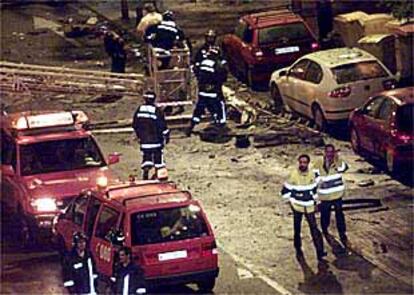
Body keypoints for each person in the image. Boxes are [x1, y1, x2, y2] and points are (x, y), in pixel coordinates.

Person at [281, 154, 327, 261]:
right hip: (297, 207)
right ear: (298, 162)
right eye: (301, 162)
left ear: (308, 163)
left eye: (305, 162)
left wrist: (317, 202)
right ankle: (298, 248)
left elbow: (314, 190)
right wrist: (290, 203)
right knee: (297, 229)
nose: (303, 164)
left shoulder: (312, 175)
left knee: (314, 229)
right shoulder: (293, 176)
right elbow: (285, 192)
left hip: (309, 207)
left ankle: (320, 252)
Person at [314, 144, 350, 249]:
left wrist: (337, 159)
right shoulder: (318, 164)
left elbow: (344, 167)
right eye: (328, 152)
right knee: (325, 215)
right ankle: (325, 230)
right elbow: (313, 179)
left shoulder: (337, 163)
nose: (330, 154)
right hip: (325, 196)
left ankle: (342, 233)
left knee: (340, 215)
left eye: (332, 152)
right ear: (324, 153)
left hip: (337, 195)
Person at [186, 47, 228, 136]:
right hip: (213, 93)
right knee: (219, 108)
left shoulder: (203, 62)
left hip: (202, 92)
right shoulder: (217, 64)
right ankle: (221, 126)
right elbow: (222, 78)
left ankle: (191, 127)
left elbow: (196, 71)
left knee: (199, 111)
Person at [132, 91, 170, 180]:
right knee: (158, 159)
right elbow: (162, 125)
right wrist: (166, 135)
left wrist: (139, 134)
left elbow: (135, 124)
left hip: (144, 140)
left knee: (146, 156)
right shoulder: (156, 110)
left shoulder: (140, 109)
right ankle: (159, 175)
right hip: (156, 140)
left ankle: (146, 173)